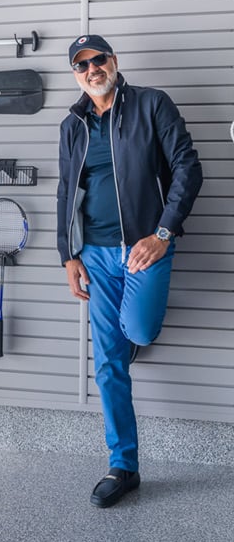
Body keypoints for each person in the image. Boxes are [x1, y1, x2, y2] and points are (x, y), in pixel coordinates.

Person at [55, 35, 202, 508]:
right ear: (76, 74)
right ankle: (123, 466)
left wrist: (163, 233)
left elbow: (188, 167)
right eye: (82, 65)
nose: (92, 69)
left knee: (137, 329)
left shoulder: (151, 105)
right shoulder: (72, 125)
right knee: (107, 365)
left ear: (113, 61)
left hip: (146, 247)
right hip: (95, 255)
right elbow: (65, 191)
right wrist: (67, 255)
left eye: (98, 59)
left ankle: (129, 335)